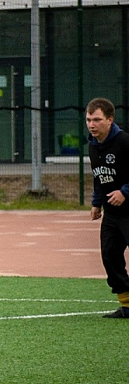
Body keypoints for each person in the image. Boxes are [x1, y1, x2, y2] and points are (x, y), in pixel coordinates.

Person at [86, 97, 129, 318]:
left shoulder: (124, 142)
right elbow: (98, 178)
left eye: (97, 120)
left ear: (110, 120)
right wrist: (96, 203)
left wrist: (125, 192)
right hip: (112, 214)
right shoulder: (93, 146)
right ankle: (127, 305)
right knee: (110, 256)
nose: (91, 124)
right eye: (88, 119)